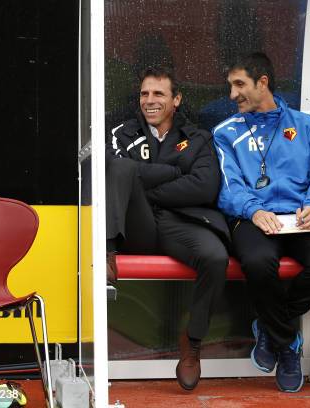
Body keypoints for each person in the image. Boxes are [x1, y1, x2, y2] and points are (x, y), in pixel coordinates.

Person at [213, 52, 310, 392]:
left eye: (239, 85)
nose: (232, 94)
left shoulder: (306, 126)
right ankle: (287, 347)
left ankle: (271, 329)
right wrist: (254, 210)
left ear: (263, 82)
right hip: (253, 219)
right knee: (258, 261)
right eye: (230, 86)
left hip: (301, 220)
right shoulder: (225, 132)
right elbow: (229, 185)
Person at [105, 66, 230, 391]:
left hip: (181, 221)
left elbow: (204, 186)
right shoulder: (122, 133)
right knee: (120, 168)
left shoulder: (197, 137)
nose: (150, 100)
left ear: (176, 99)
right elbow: (113, 175)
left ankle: (193, 342)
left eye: (158, 93)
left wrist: (143, 177)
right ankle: (107, 251)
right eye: (145, 93)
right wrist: (174, 171)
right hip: (137, 226)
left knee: (215, 257)